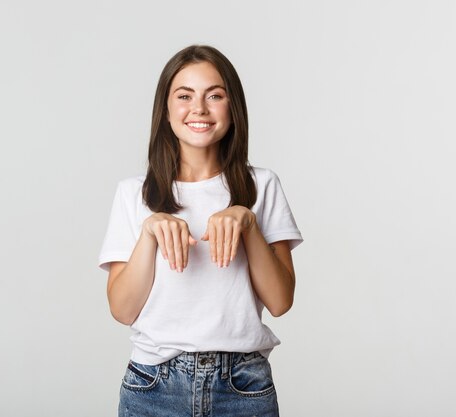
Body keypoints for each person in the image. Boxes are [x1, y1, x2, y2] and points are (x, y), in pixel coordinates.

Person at [98, 44, 303, 417]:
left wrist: (248, 224)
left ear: (232, 107)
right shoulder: (134, 193)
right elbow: (123, 309)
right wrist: (148, 234)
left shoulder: (262, 186)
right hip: (153, 385)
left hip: (243, 385)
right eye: (185, 96)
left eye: (215, 95)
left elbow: (280, 301)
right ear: (166, 109)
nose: (200, 109)